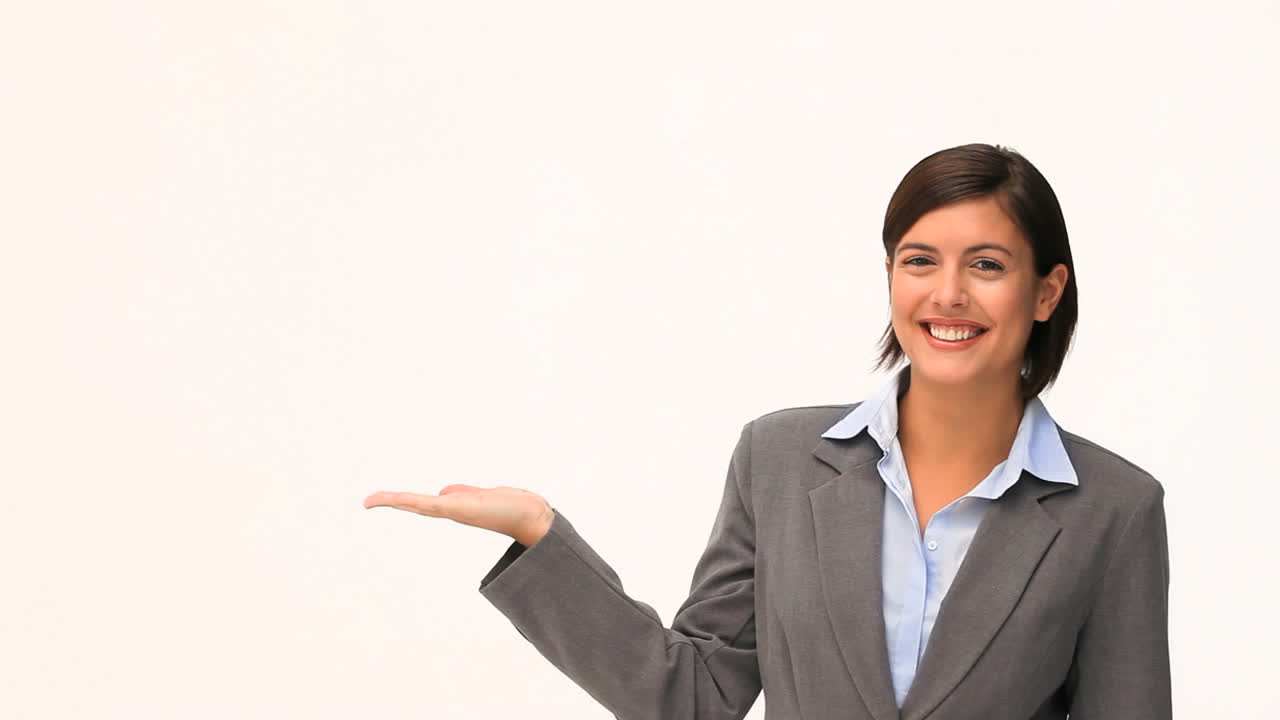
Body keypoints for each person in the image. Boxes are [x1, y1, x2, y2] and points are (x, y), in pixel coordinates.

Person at [363, 143, 1171, 719]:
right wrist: (540, 537)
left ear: (1045, 291)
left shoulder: (1114, 509)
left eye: (987, 265)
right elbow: (693, 695)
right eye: (919, 261)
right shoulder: (781, 462)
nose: (948, 293)